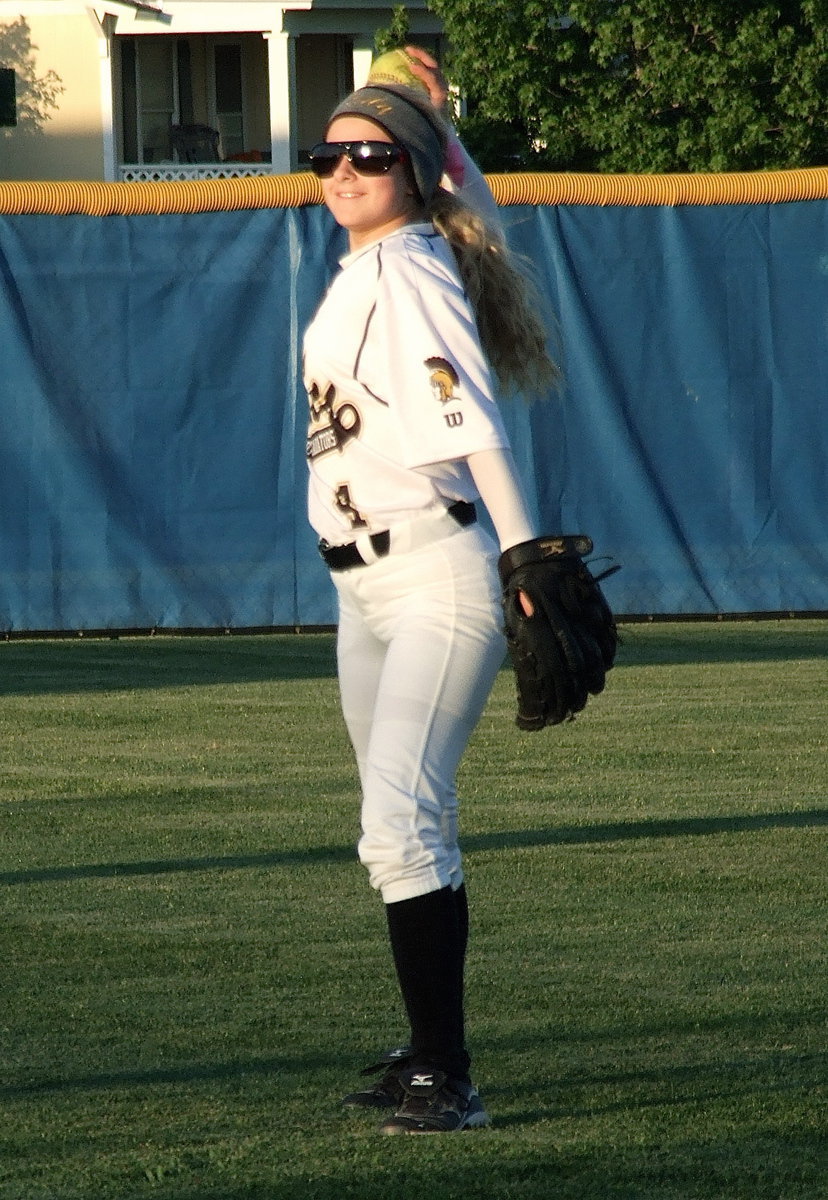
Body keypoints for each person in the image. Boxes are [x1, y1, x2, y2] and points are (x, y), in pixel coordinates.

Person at [302, 48, 558, 1135]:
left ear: (407, 173)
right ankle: (429, 1050)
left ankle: (447, 1078)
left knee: (398, 821)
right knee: (409, 822)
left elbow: (473, 425)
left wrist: (525, 556)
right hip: (364, 592)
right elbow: (477, 216)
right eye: (329, 154)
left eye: (371, 154)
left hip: (432, 575)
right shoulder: (383, 259)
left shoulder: (407, 271)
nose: (345, 169)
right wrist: (439, 132)